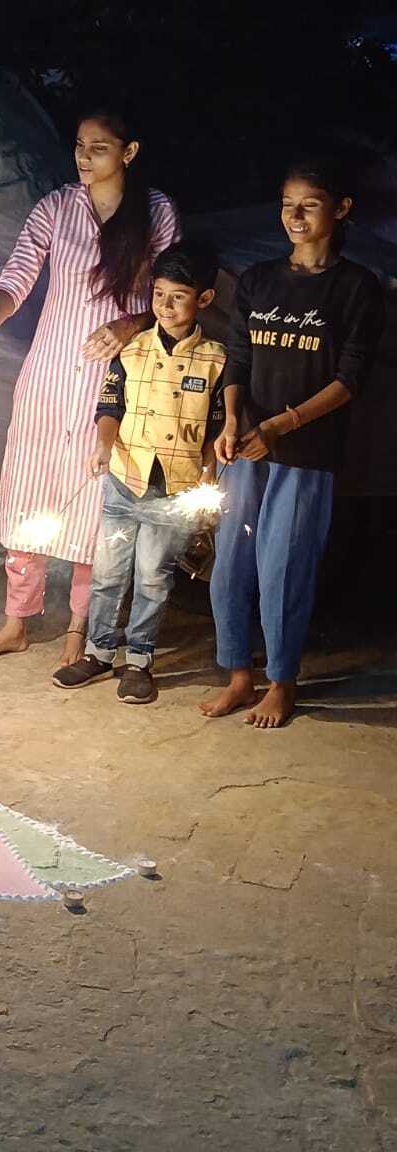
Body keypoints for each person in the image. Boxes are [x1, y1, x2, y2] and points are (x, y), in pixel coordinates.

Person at [0, 106, 181, 666]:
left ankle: (81, 627)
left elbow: (172, 294)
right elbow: (16, 276)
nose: (84, 156)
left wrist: (129, 325)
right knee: (27, 491)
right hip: (50, 374)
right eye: (80, 145)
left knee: (93, 502)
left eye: (99, 147)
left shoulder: (156, 213)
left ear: (129, 152)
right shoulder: (57, 208)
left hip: (115, 381)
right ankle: (17, 620)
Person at [200, 159, 384, 728]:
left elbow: (349, 380)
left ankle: (281, 682)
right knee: (230, 565)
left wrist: (280, 426)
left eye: (309, 204)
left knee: (284, 569)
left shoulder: (356, 287)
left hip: (306, 454)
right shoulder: (258, 280)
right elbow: (238, 358)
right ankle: (238, 676)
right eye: (286, 204)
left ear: (341, 209)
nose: (295, 216)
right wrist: (232, 421)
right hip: (245, 446)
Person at [51, 244, 226, 703]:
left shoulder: (215, 360)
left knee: (153, 576)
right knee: (109, 572)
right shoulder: (132, 350)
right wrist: (103, 446)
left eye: (178, 297)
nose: (165, 306)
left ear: (204, 299)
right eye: (159, 294)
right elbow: (110, 406)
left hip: (175, 488)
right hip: (124, 478)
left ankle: (139, 659)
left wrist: (210, 471)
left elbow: (215, 426)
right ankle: (99, 651)